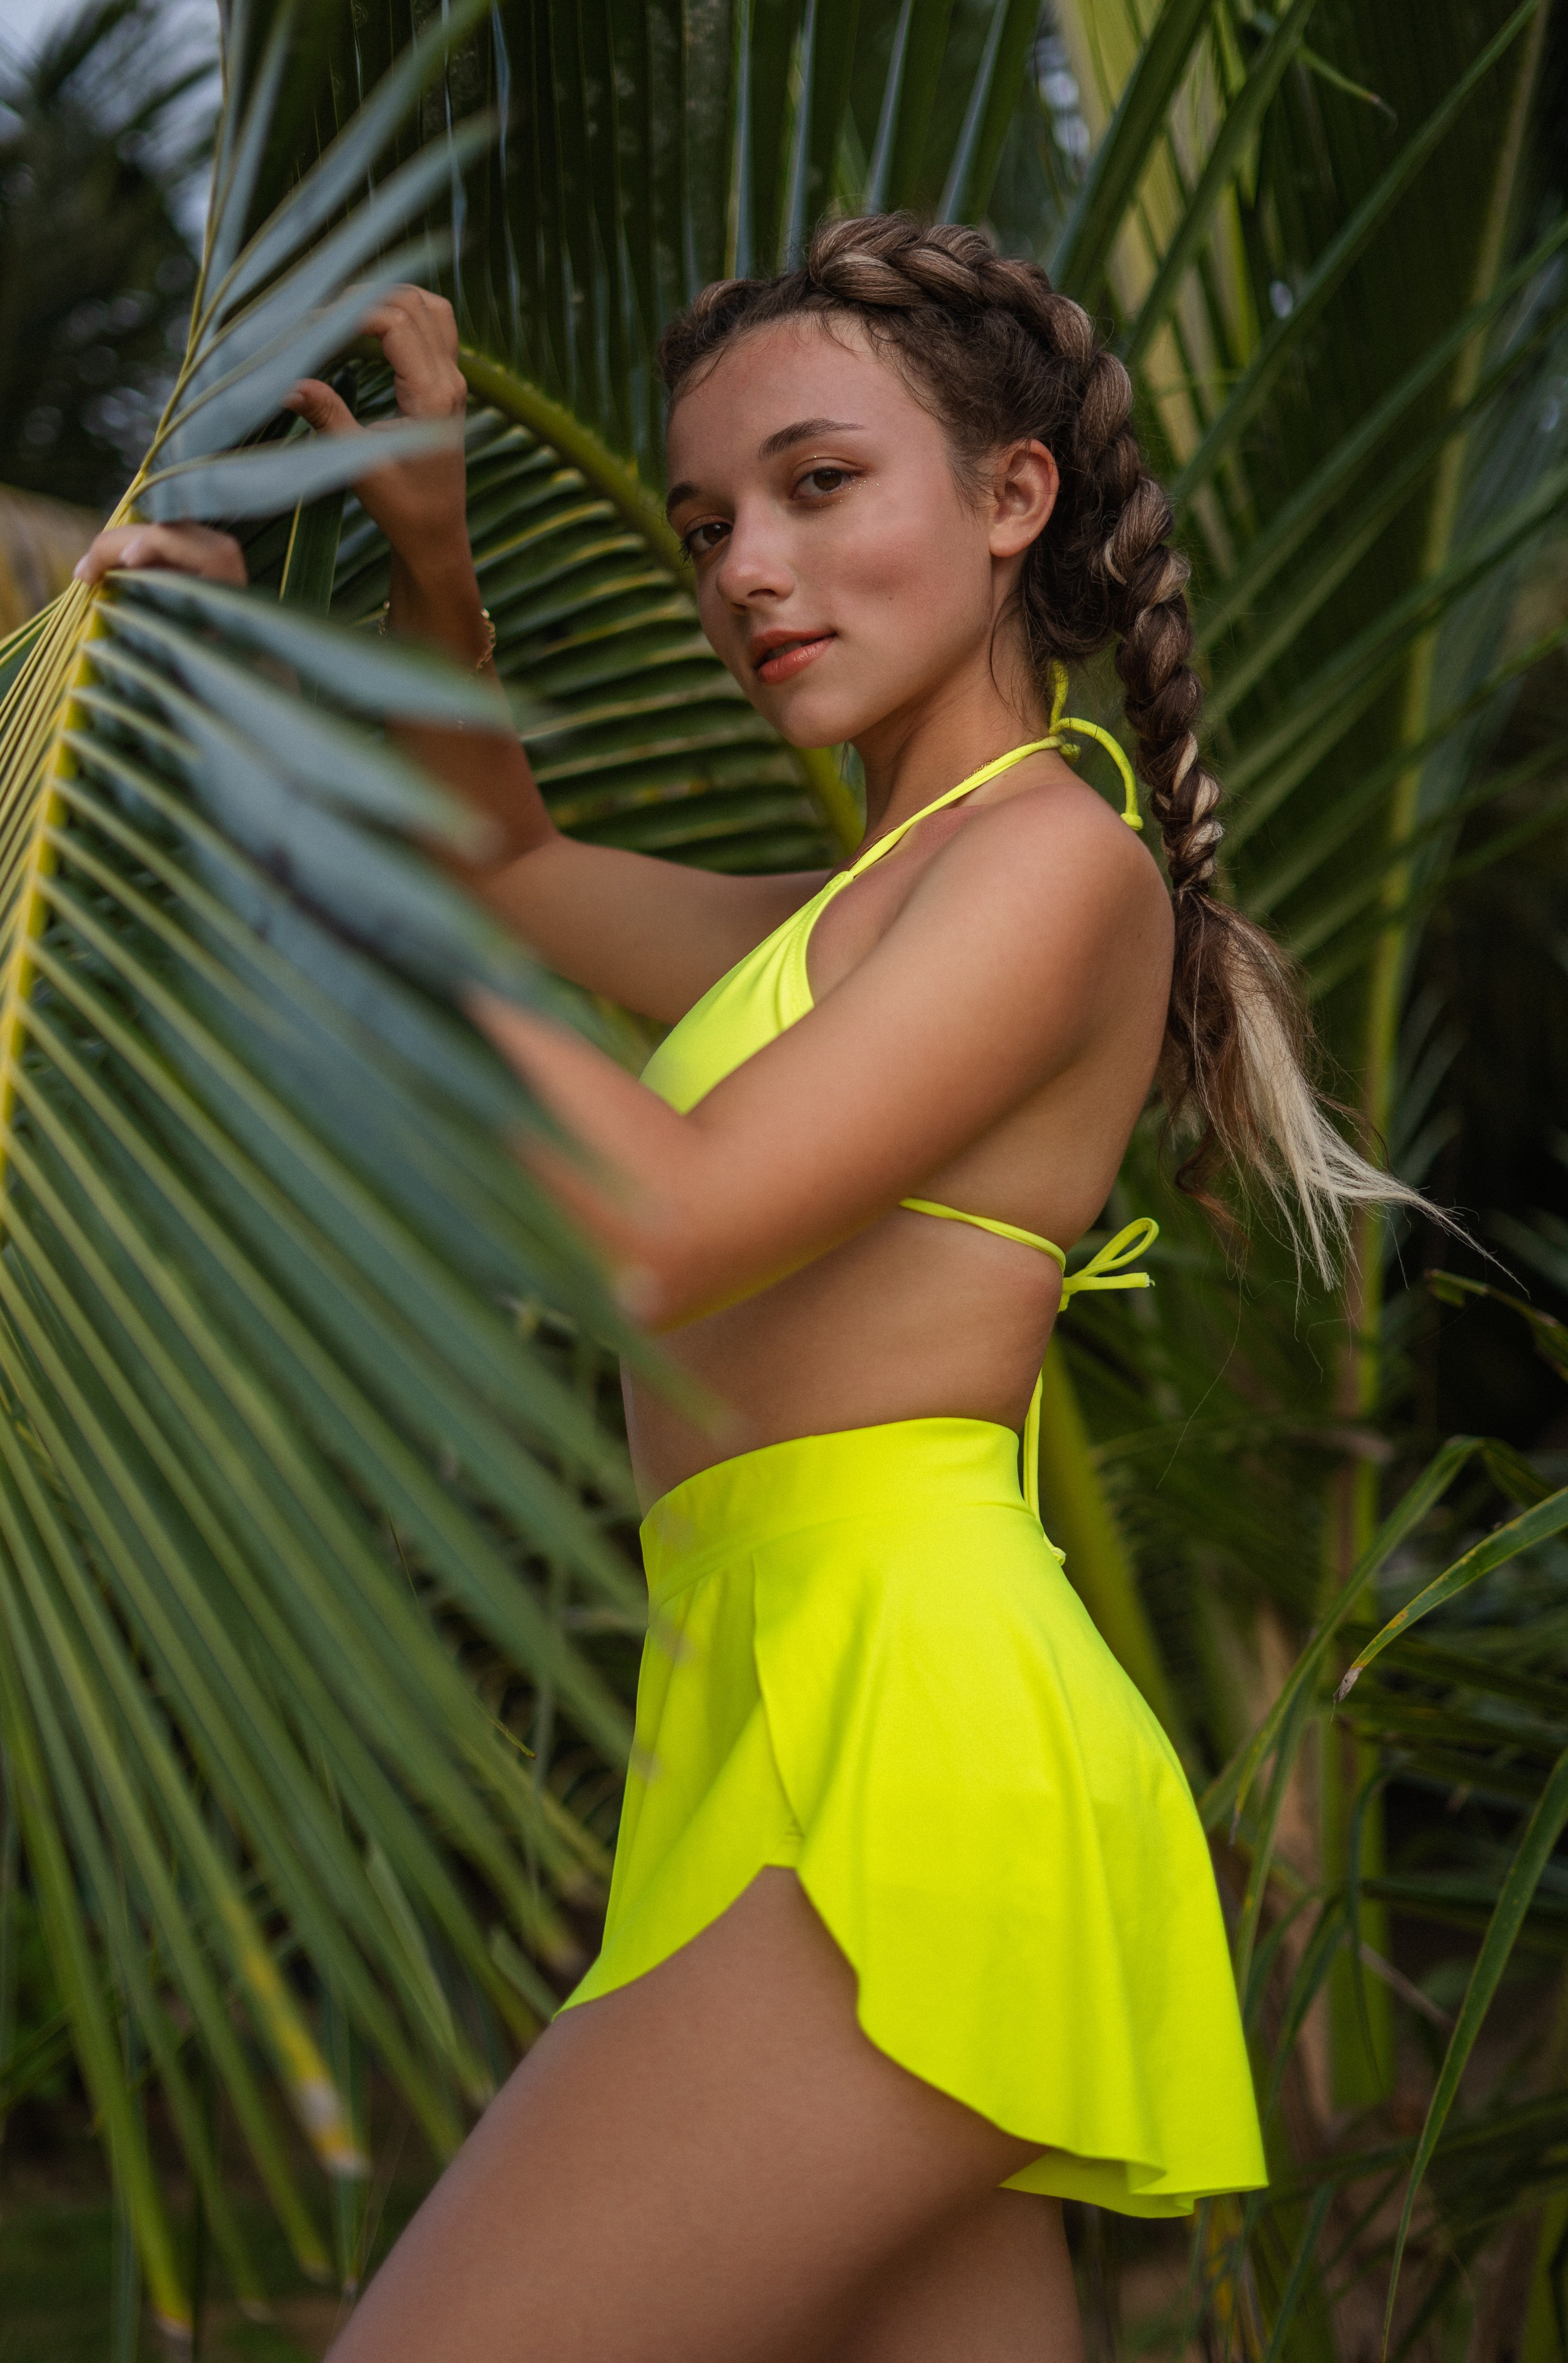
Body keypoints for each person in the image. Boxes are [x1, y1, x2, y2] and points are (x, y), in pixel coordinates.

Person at [76, 214, 1419, 2362]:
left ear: (1013, 496)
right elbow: (507, 874)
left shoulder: (1056, 867)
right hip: (773, 1728)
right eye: (709, 525)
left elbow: (670, 1220)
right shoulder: (854, 908)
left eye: (818, 486)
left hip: (910, 1755)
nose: (745, 574)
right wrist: (434, 564)